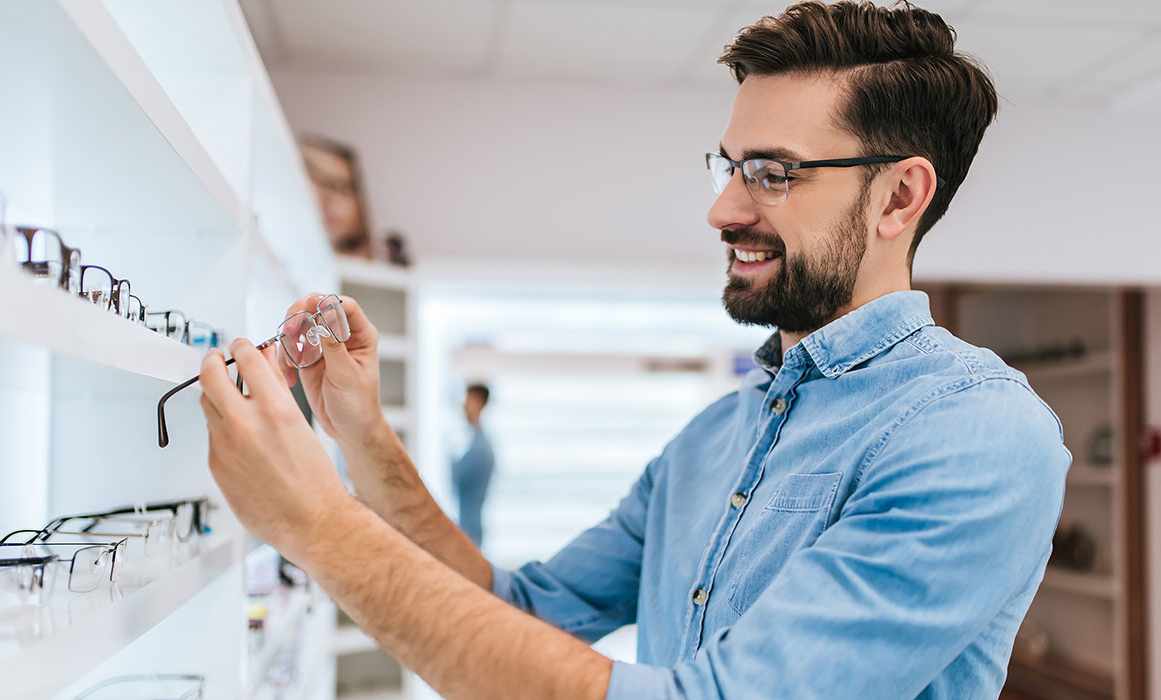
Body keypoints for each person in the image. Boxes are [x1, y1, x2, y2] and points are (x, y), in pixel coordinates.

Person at [196, 2, 1070, 698]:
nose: (723, 210)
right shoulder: (708, 444)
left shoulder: (976, 435)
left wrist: (316, 525)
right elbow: (520, 611)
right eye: (728, 166)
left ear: (897, 199)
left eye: (772, 172)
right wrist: (361, 438)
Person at [450, 383, 495, 547]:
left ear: (477, 402)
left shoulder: (480, 448)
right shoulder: (476, 442)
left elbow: (456, 477)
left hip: (470, 530)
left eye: (467, 400)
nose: (463, 406)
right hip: (469, 527)